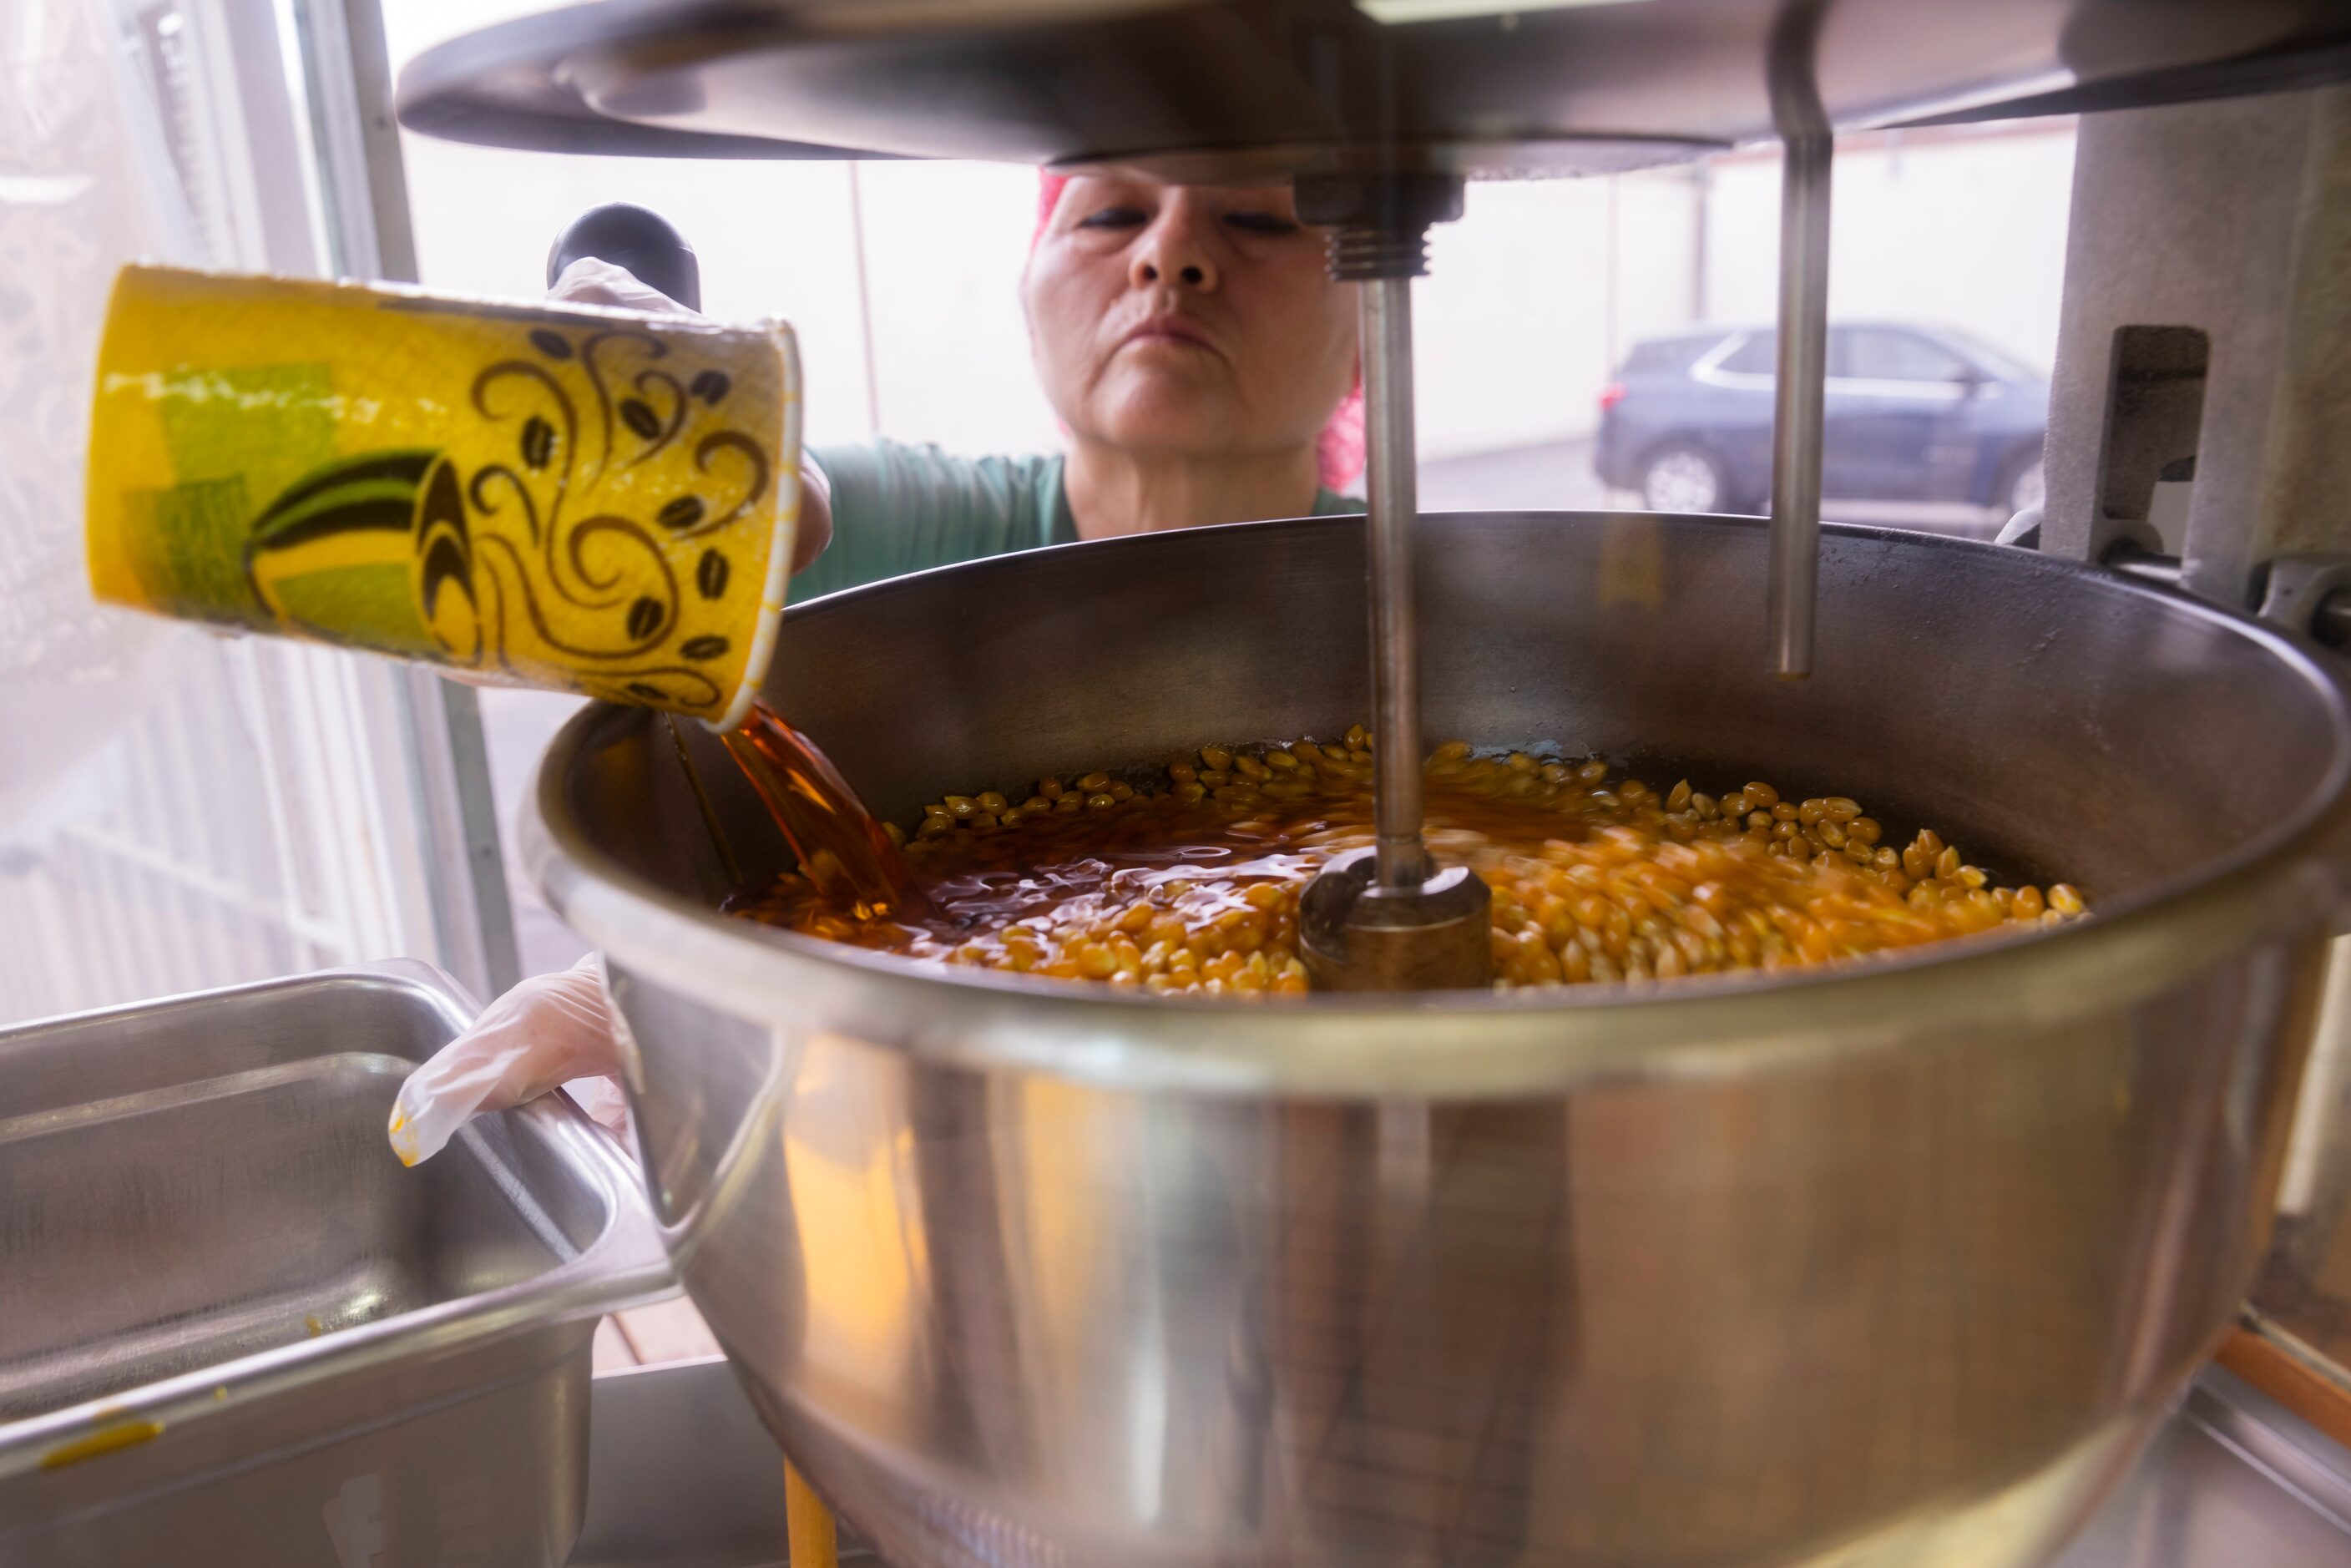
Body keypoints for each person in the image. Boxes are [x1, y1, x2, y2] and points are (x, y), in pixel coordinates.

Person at [387, 170, 1368, 1164]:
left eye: (1254, 216)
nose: (1170, 255)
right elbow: (469, 607)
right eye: (1111, 214)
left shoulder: (1413, 601)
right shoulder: (882, 533)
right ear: (1027, 299)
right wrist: (574, 492)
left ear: (1377, 315)